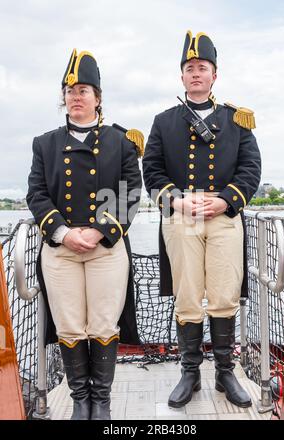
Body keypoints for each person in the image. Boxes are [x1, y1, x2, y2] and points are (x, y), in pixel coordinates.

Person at [143, 31, 261, 409]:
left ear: (214, 75)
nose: (196, 74)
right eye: (189, 68)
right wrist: (176, 200)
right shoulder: (163, 122)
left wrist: (226, 200)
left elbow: (250, 169)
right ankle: (189, 372)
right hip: (182, 219)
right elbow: (152, 171)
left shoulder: (237, 120)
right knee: (189, 295)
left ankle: (225, 373)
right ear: (182, 77)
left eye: (203, 68)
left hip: (224, 218)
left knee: (225, 294)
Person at [27, 49, 143, 420]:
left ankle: (101, 400)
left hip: (105, 248)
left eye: (84, 90)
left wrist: (97, 231)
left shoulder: (122, 143)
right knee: (70, 324)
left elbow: (130, 193)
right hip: (60, 249)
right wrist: (62, 231)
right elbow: (37, 194)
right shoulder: (44, 144)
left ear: (98, 98)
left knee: (104, 323)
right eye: (70, 90)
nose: (76, 96)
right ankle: (81, 399)